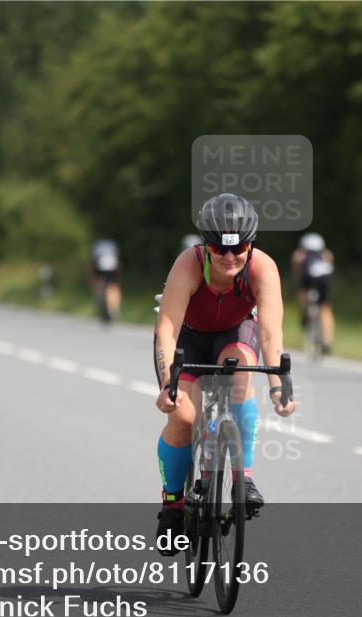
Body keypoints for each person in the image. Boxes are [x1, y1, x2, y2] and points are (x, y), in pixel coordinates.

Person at [153, 193, 296, 555]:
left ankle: (243, 480)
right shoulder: (188, 264)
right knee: (184, 416)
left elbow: (269, 333)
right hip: (188, 338)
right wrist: (168, 385)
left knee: (240, 374)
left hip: (235, 334)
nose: (230, 257)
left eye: (241, 247)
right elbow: (166, 331)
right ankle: (172, 505)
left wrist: (279, 388)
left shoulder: (263, 268)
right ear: (206, 245)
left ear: (251, 243)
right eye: (220, 248)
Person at [291, 232, 335, 354]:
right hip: (325, 278)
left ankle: (304, 312)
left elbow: (297, 269)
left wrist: (298, 274)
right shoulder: (326, 253)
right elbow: (331, 264)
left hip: (309, 278)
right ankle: (327, 341)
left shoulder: (300, 254)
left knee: (302, 292)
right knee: (326, 308)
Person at [90, 238, 121, 323]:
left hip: (99, 265)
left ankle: (99, 296)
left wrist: (93, 277)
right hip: (112, 265)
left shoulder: (97, 245)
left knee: (98, 281)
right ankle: (114, 308)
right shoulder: (112, 244)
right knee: (114, 286)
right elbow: (117, 260)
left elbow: (93, 262)